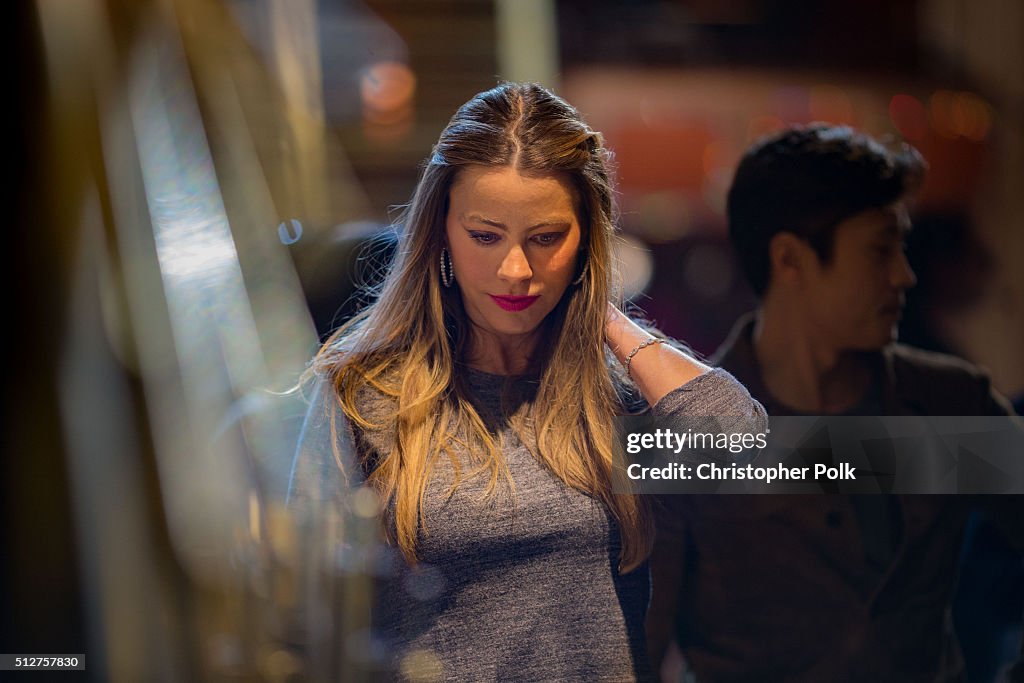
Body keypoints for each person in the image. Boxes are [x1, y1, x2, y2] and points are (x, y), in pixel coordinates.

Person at [288, 82, 766, 682]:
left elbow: (744, 454)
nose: (516, 271)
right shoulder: (365, 396)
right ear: (441, 235)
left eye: (546, 238)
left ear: (589, 239)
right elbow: (299, 617)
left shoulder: (615, 401)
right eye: (485, 236)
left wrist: (603, 314)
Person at [647, 124, 1021, 682]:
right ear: (790, 260)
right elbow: (635, 652)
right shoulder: (690, 435)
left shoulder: (951, 405)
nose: (904, 274)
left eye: (902, 247)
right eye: (879, 250)